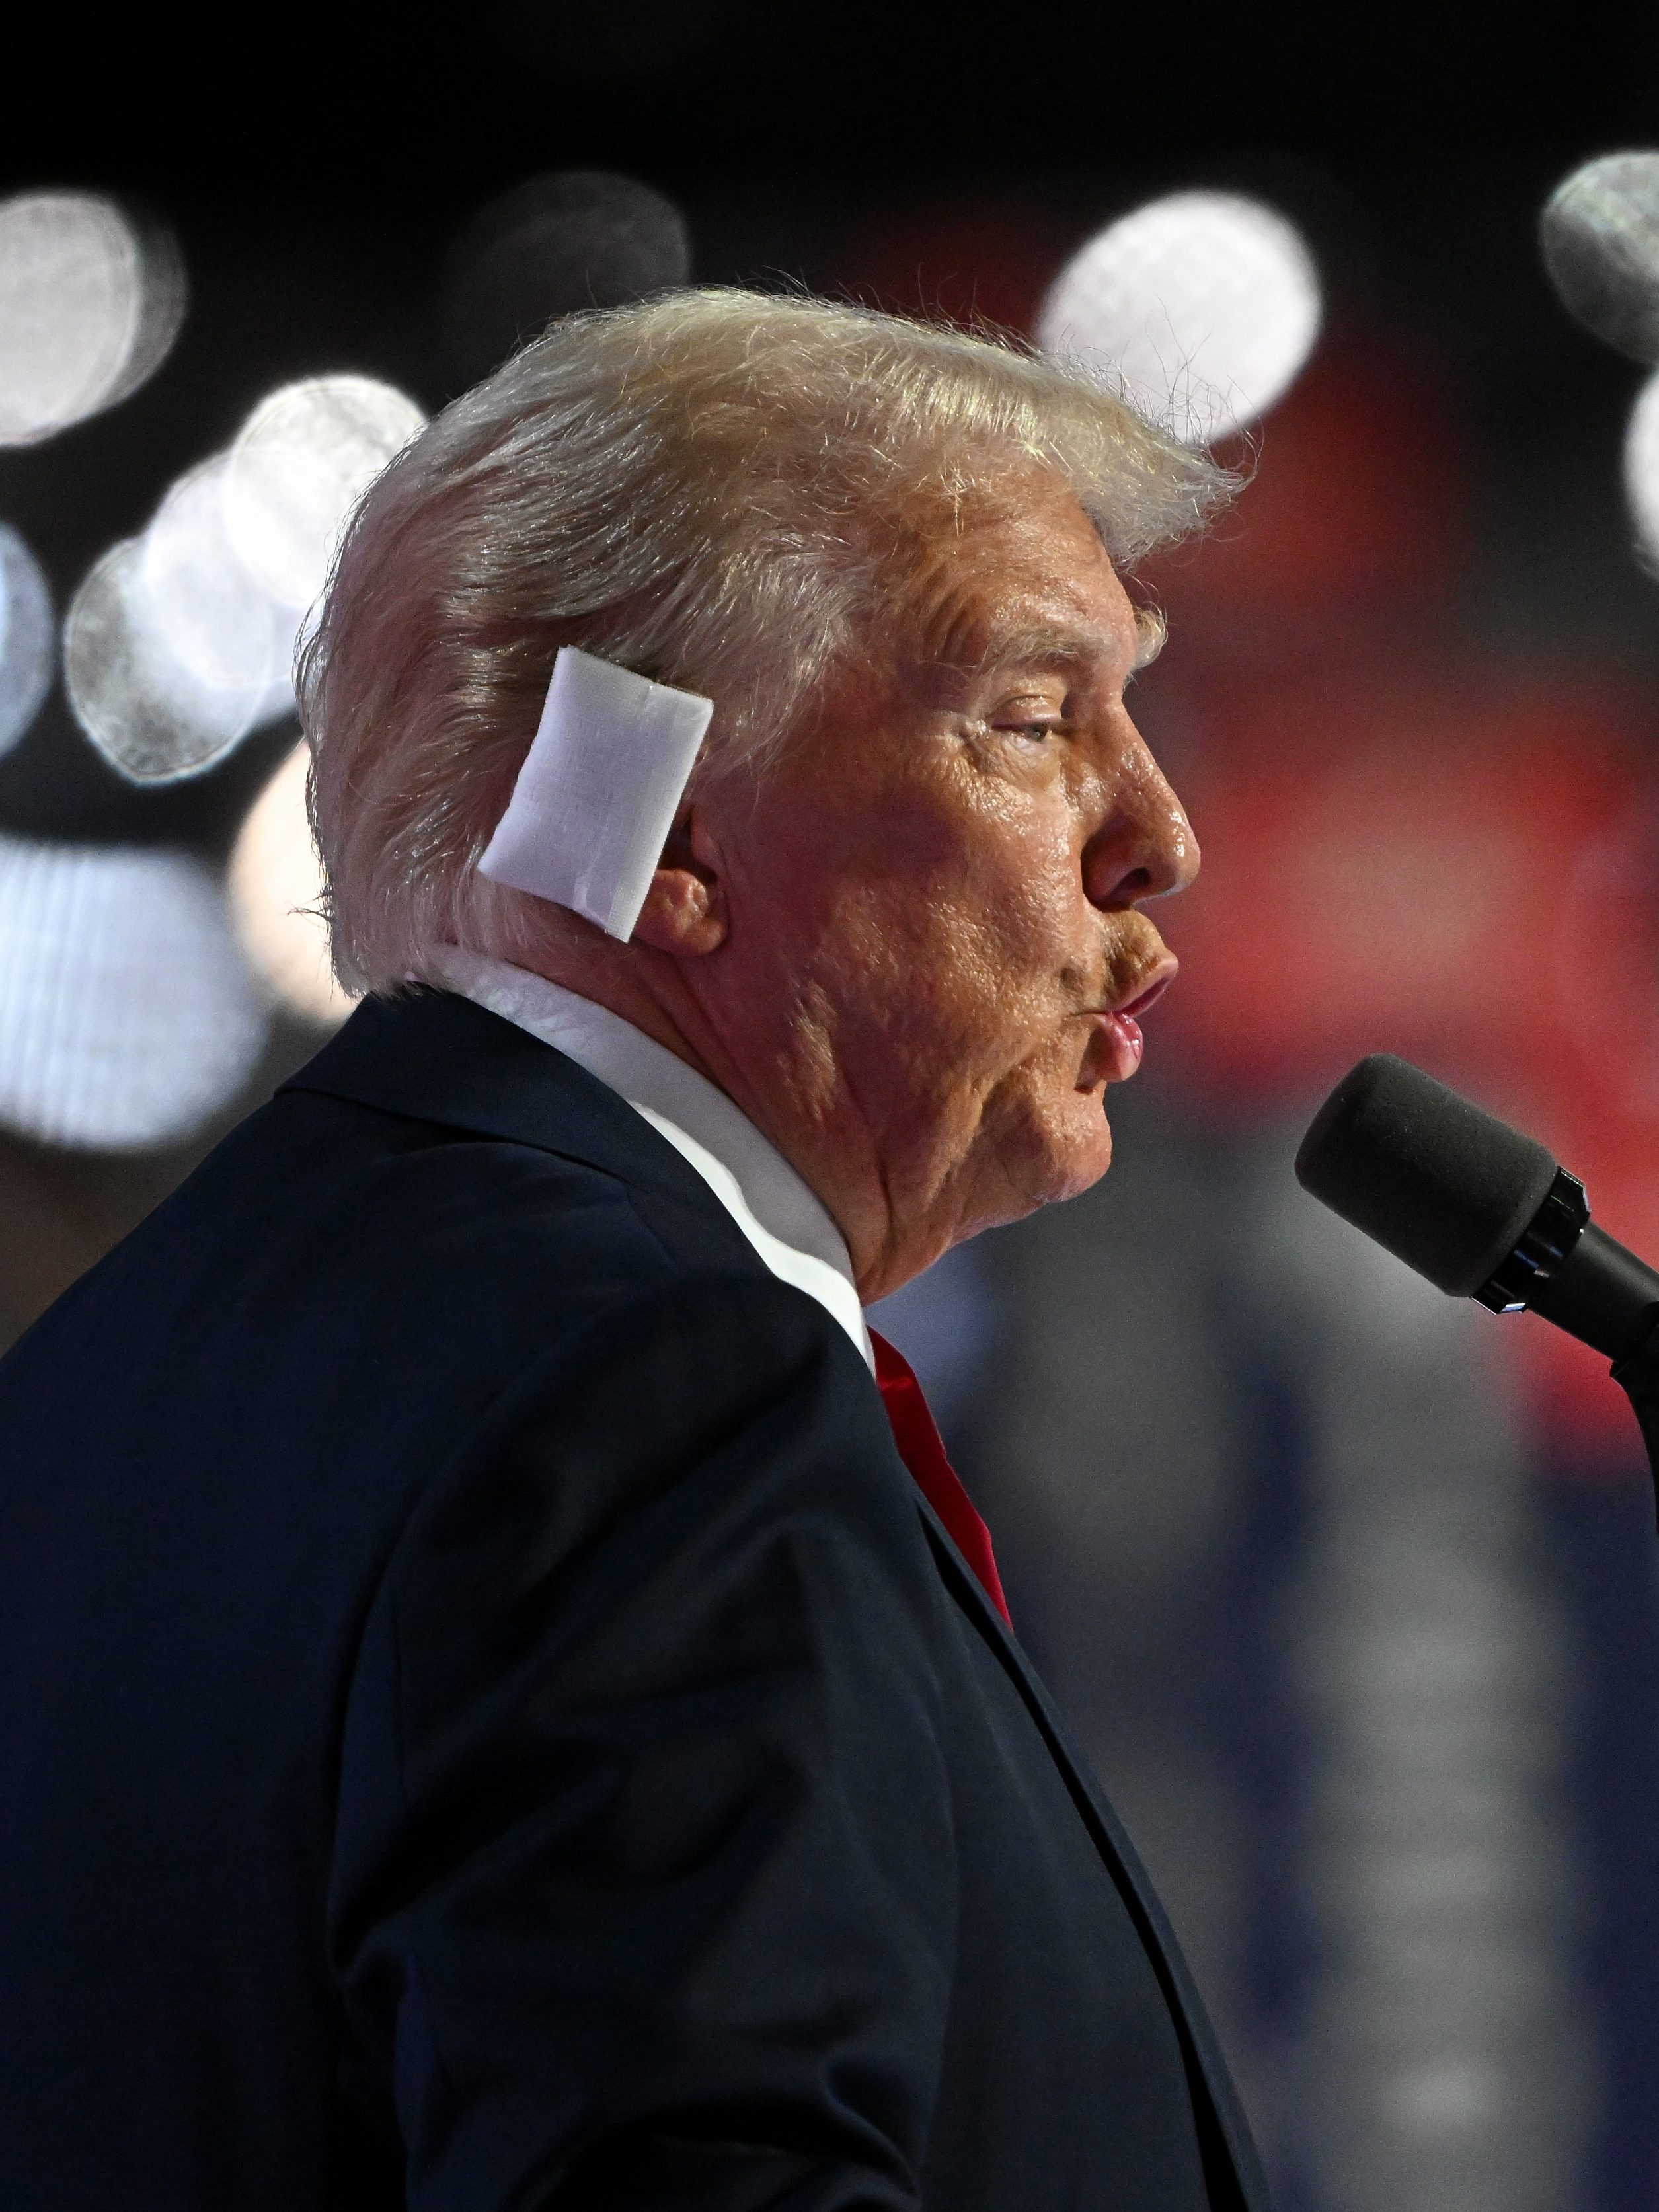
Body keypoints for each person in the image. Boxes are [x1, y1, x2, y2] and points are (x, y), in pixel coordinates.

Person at [0, 290, 1265, 2210]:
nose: (1158, 833)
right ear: (662, 825)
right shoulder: (652, 1388)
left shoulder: (96, 1389)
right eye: (1031, 716)